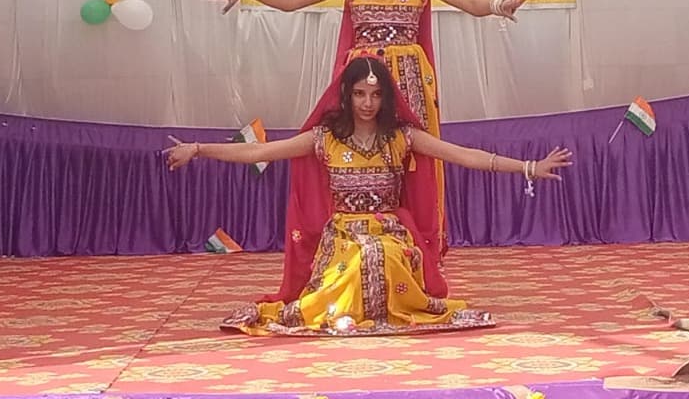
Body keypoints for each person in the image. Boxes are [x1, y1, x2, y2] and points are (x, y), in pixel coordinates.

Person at [198, 0, 528, 275]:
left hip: (409, 85)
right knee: (354, 158)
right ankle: (350, 254)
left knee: (412, 165)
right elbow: (293, 1)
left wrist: (500, 4)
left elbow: (470, 2)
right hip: (360, 86)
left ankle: (415, 259)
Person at [164, 56, 572, 337]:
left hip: (392, 233)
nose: (367, 103)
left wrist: (529, 167)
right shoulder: (323, 139)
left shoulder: (402, 137)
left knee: (381, 252)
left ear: (386, 98)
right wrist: (199, 149)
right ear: (346, 96)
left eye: (375, 95)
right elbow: (258, 152)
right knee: (360, 255)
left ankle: (382, 311)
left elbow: (465, 156)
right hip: (341, 234)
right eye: (359, 94)